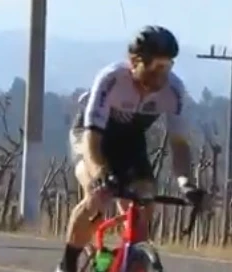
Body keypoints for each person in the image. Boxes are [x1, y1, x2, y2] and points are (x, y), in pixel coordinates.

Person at [56, 25, 207, 272]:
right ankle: (67, 264)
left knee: (145, 199)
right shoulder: (111, 79)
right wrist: (100, 174)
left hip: (130, 141)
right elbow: (92, 138)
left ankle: (133, 257)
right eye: (155, 67)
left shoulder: (175, 90)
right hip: (92, 137)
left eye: (168, 67)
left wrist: (186, 183)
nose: (161, 76)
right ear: (134, 62)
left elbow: (179, 144)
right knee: (98, 197)